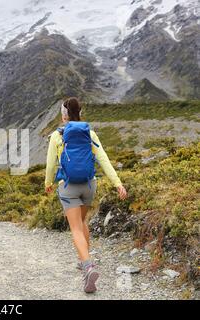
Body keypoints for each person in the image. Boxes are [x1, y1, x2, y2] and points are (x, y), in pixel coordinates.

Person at [45, 97, 128, 294]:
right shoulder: (89, 133)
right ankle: (84, 260)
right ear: (80, 113)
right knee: (82, 222)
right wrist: (118, 183)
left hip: (68, 186)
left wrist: (48, 183)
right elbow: (103, 159)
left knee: (75, 228)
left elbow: (50, 164)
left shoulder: (57, 136)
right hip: (89, 185)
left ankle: (88, 266)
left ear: (63, 116)